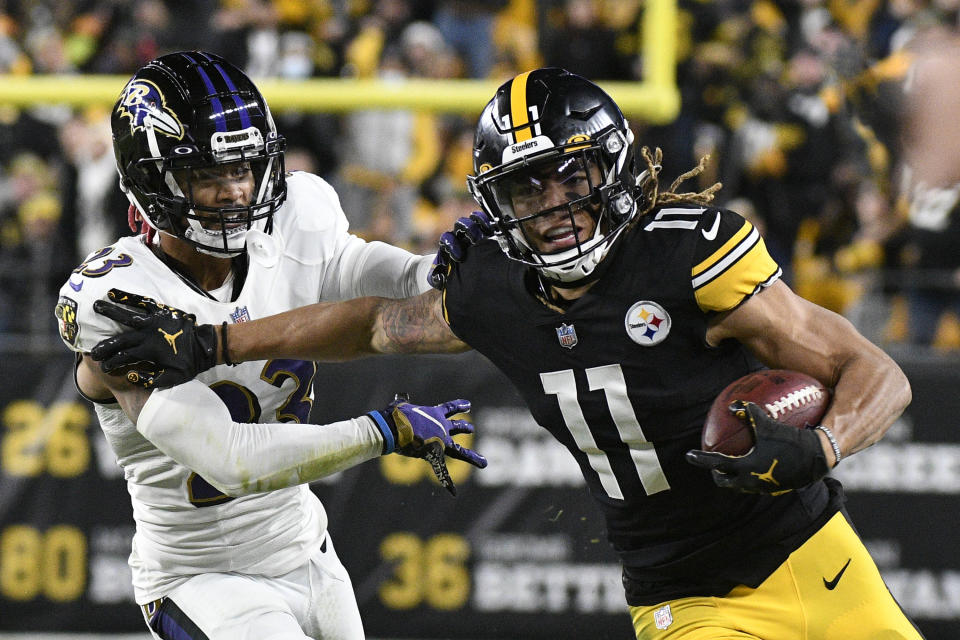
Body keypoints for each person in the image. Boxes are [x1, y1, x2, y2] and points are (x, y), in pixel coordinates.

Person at [91, 68, 923, 639]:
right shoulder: (496, 288)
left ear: (615, 167)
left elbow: (876, 373)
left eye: (572, 176)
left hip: (814, 548)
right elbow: (373, 323)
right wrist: (217, 341)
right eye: (528, 188)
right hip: (684, 588)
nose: (554, 205)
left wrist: (824, 443)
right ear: (496, 201)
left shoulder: (689, 255)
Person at [54, 50, 485, 640]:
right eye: (208, 175)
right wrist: (382, 431)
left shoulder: (296, 215)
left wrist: (446, 269)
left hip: (308, 551)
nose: (235, 191)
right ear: (153, 180)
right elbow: (231, 461)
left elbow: (365, 269)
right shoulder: (119, 298)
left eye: (244, 169)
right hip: (201, 577)